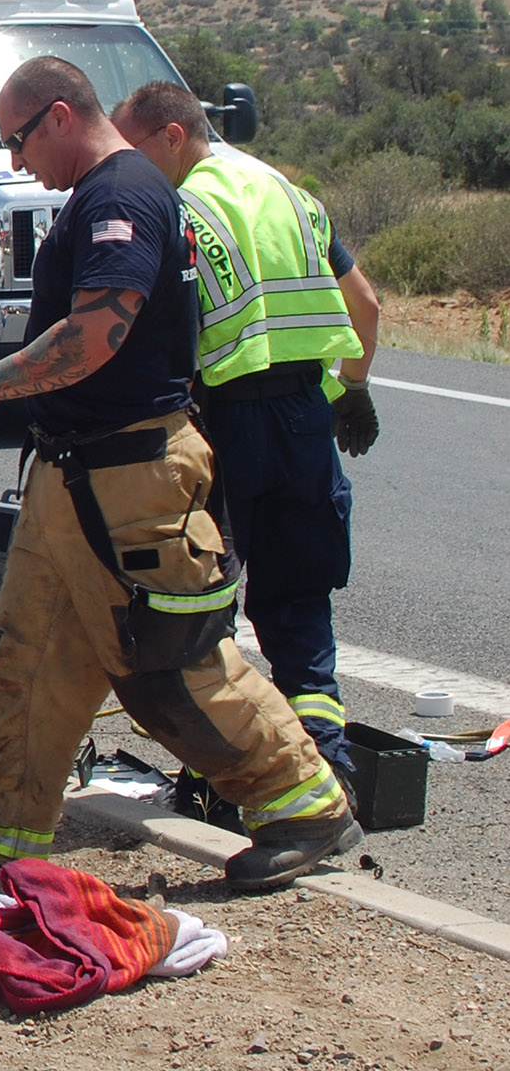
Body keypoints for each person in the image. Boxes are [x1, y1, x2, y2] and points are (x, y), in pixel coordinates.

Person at [0, 56, 360, 892]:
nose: (14, 161)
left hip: (129, 480)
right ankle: (4, 817)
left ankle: (302, 806)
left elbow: (101, 329)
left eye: (19, 138)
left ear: (62, 116)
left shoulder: (121, 194)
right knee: (29, 651)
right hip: (77, 477)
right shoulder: (118, 191)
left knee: (169, 661)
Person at [111, 80, 380, 792]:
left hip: (227, 425)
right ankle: (329, 767)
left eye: (129, 148)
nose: (121, 165)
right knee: (298, 606)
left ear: (172, 137)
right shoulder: (292, 194)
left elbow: (163, 330)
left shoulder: (181, 208)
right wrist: (352, 390)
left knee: (207, 609)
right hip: (305, 422)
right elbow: (367, 306)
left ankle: (233, 777)